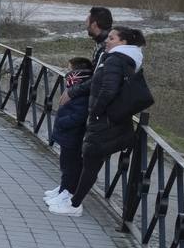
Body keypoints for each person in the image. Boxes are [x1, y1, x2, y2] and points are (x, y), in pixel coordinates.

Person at [54, 28, 151, 217]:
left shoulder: (115, 60)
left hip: (104, 120)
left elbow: (108, 89)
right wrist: (75, 93)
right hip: (111, 119)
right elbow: (99, 84)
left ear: (123, 43)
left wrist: (96, 112)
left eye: (112, 38)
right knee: (92, 160)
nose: (107, 41)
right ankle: (70, 198)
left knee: (91, 160)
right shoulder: (125, 59)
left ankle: (74, 205)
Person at [44, 56, 96, 209]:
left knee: (70, 166)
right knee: (65, 164)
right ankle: (63, 189)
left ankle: (67, 192)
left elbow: (80, 114)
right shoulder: (76, 89)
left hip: (73, 134)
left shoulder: (82, 92)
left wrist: (63, 123)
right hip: (68, 134)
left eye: (69, 69)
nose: (67, 73)